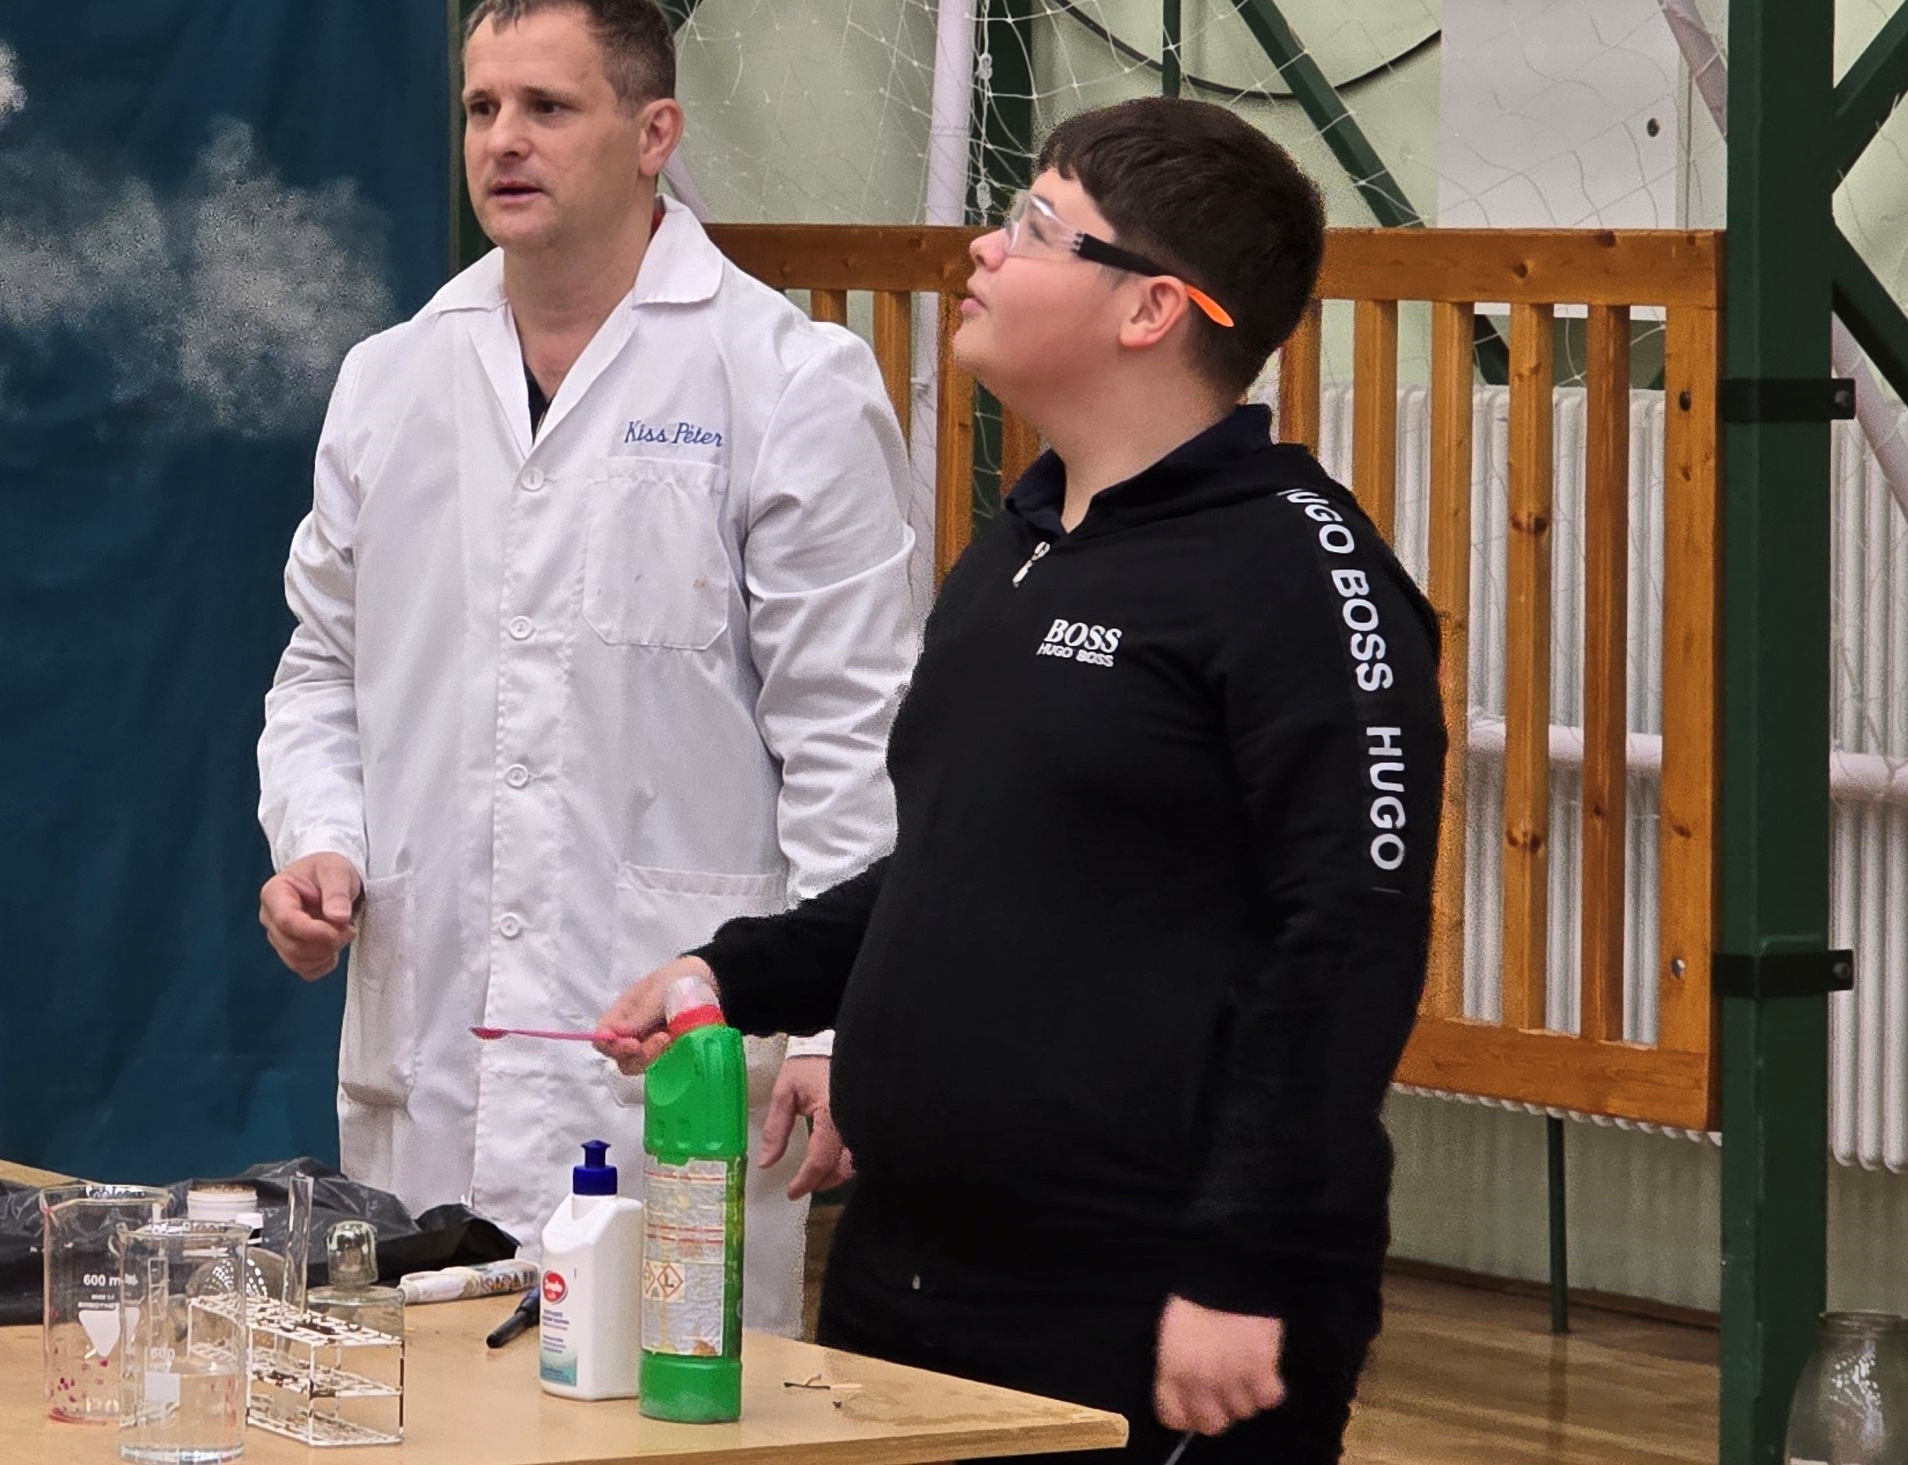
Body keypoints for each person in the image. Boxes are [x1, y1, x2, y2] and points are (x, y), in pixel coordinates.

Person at [596, 98, 1442, 1461]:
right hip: (913, 1263)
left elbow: (1346, 946)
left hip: (1150, 1288)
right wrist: (735, 972)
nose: (984, 250)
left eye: (1039, 227)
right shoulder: (1020, 545)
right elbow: (964, 862)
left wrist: (1239, 1265)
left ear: (1152, 308)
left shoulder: (1296, 571)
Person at [252, 0, 923, 1333]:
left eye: (549, 107)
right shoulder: (391, 379)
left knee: (663, 1389)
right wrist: (319, 839)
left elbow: (854, 734)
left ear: (654, 132)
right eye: (482, 107)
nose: (505, 140)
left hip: (670, 1048)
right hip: (432, 1036)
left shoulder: (786, 382)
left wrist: (837, 1023)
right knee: (428, 1392)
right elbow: (320, 667)